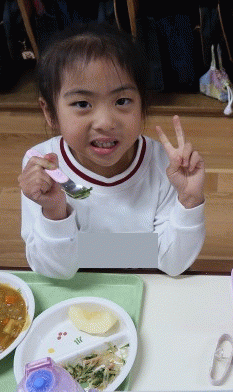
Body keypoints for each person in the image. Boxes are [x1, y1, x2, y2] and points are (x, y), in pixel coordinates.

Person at [19, 23, 206, 279]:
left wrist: (190, 201)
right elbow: (56, 271)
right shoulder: (42, 166)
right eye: (82, 104)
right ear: (50, 112)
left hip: (148, 283)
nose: (106, 122)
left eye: (122, 101)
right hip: (79, 286)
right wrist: (54, 212)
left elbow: (173, 263)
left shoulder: (167, 166)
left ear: (143, 104)